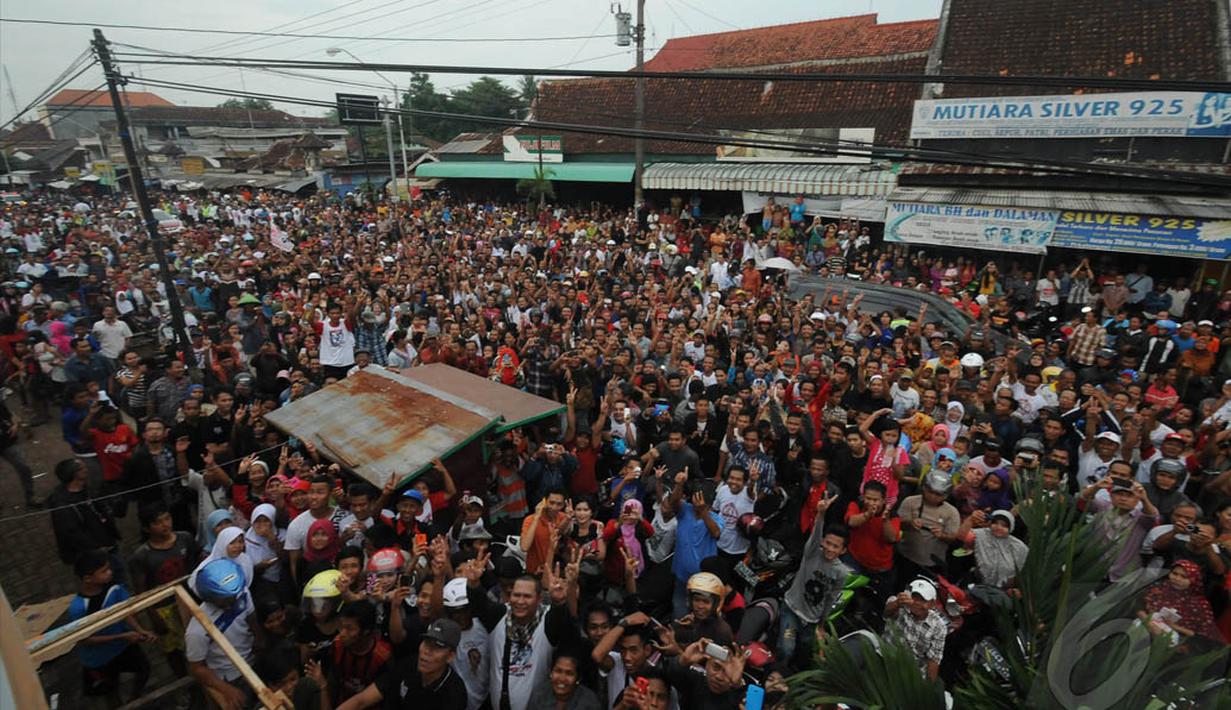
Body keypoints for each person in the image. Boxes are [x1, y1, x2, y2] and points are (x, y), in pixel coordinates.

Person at [68, 549, 155, 705]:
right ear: (88, 578)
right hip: (100, 658)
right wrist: (122, 636)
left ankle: (134, 700)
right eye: (104, 571)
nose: (110, 572)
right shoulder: (78, 608)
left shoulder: (114, 588)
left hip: (123, 646)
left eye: (109, 568)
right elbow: (84, 639)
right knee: (110, 691)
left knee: (144, 670)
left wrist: (139, 630)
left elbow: (123, 612)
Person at [338, 618, 469, 709]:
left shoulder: (454, 694)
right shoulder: (408, 665)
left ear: (450, 656)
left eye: (437, 647)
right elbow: (361, 700)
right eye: (426, 643)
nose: (427, 651)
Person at [186, 558, 258, 710]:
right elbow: (196, 668)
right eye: (224, 600)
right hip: (231, 676)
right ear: (210, 597)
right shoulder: (197, 630)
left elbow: (251, 617)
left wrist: (260, 640)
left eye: (233, 597)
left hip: (253, 659)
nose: (232, 602)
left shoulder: (242, 593)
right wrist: (226, 689)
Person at [884, 579, 946, 681]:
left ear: (932, 604)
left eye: (923, 600)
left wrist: (928, 686)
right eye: (914, 597)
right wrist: (897, 603)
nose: (917, 603)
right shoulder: (898, 603)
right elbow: (886, 613)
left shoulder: (938, 626)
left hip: (909, 673)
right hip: (885, 656)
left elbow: (933, 660)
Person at [527, 647, 603, 710]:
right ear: (551, 672)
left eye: (569, 673)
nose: (562, 679)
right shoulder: (540, 695)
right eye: (558, 671)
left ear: (578, 678)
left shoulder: (589, 702)